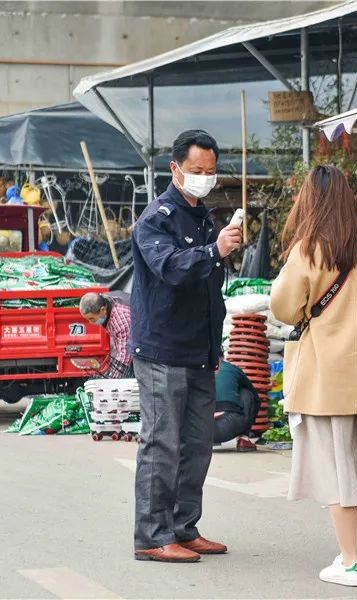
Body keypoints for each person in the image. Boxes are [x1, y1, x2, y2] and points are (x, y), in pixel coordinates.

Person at [270, 165, 357, 588]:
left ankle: (350, 562)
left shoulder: (308, 249)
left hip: (324, 378)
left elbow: (282, 307)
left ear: (309, 201)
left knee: (338, 472)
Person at [129, 130, 242, 563]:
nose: (204, 178)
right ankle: (152, 536)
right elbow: (171, 268)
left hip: (199, 350)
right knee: (162, 443)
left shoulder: (201, 216)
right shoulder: (154, 219)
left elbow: (209, 287)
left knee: (197, 443)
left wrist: (215, 349)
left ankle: (183, 527)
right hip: (162, 350)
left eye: (210, 172)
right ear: (175, 169)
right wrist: (215, 251)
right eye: (196, 171)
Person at [79, 292, 132, 378]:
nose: (90, 322)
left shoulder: (120, 319)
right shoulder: (105, 301)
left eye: (92, 318)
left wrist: (112, 380)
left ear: (103, 309)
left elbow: (125, 354)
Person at [213, 360, 258, 452]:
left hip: (199, 430)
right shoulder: (231, 368)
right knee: (246, 392)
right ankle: (244, 440)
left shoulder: (197, 369)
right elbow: (256, 399)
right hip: (228, 427)